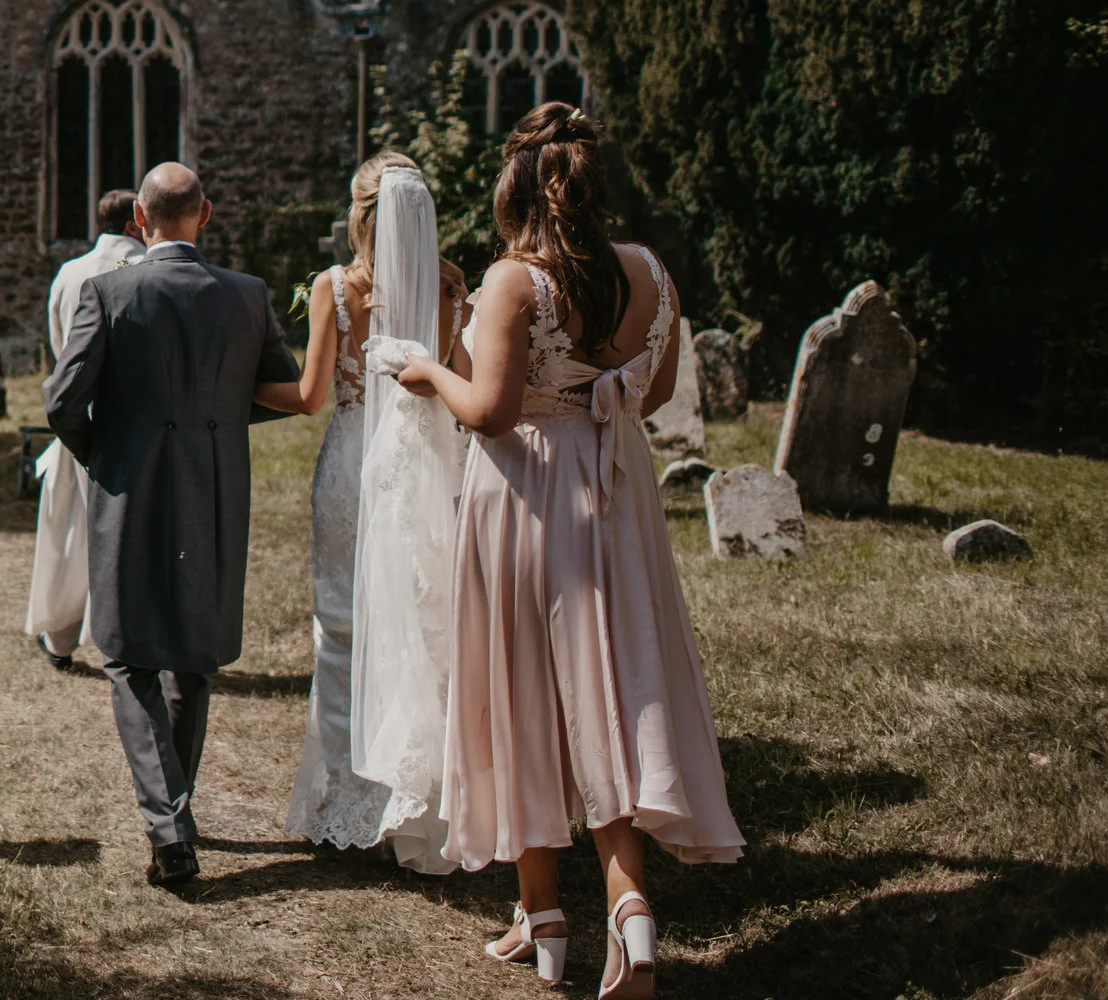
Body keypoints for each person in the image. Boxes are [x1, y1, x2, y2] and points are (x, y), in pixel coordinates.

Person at [391, 103, 742, 999]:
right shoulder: (651, 273)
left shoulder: (514, 281)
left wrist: (430, 371)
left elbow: (491, 414)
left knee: (523, 695)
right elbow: (654, 391)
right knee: (612, 694)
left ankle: (546, 914)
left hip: (526, 501)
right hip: (617, 498)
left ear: (518, 189)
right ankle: (626, 913)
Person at [43, 162, 299, 895]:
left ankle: (169, 827)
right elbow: (275, 390)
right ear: (206, 214)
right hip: (214, 490)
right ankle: (174, 815)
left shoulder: (108, 291)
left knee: (126, 655)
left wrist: (111, 453)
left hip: (130, 489)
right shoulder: (248, 297)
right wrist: (211, 425)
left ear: (140, 223)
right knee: (192, 657)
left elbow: (63, 403)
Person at [260, 155, 468, 872]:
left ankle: (345, 807)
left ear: (361, 215)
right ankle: (416, 809)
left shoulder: (336, 289)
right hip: (424, 464)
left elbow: (311, 395)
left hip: (354, 464)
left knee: (344, 632)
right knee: (421, 628)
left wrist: (238, 385)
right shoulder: (450, 288)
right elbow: (458, 386)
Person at [28, 188, 144, 670]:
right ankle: (124, 635)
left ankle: (60, 638)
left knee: (73, 528)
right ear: (138, 221)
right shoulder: (146, 269)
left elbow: (59, 342)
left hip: (76, 415)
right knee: (126, 532)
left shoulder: (69, 272)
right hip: (131, 417)